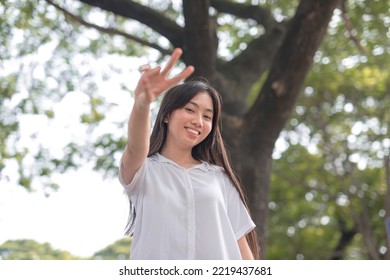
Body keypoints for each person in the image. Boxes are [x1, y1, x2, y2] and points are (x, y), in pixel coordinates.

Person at [118, 48, 260, 260]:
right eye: (190, 110)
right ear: (166, 115)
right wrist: (142, 103)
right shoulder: (143, 171)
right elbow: (136, 147)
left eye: (207, 116)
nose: (198, 121)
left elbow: (242, 250)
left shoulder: (219, 177)